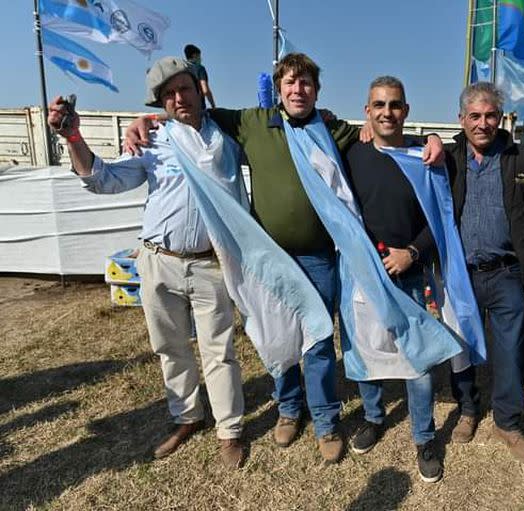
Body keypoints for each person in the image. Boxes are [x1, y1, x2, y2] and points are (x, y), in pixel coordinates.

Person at [124, 53, 445, 463]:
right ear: (278, 89)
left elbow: (387, 139)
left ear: (317, 90)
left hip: (319, 259)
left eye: (306, 83)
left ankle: (327, 422)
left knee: (318, 342)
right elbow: (187, 115)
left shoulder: (333, 130)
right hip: (269, 258)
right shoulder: (252, 124)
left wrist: (429, 140)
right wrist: (144, 120)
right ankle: (289, 410)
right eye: (290, 83)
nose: (298, 90)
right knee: (278, 336)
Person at [47, 56, 246, 469]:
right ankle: (187, 417)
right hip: (159, 262)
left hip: (211, 264)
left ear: (199, 90)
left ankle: (230, 431)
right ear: (161, 103)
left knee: (219, 351)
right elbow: (103, 179)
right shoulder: (153, 140)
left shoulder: (227, 137)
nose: (178, 98)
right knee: (170, 347)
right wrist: (73, 137)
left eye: (184, 89)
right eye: (168, 94)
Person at [343, 76, 444, 483]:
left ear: (407, 111)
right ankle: (372, 416)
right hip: (366, 271)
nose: (387, 112)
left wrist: (413, 253)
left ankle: (424, 436)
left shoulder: (425, 156)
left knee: (417, 360)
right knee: (368, 350)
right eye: (379, 105)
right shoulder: (351, 153)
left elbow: (440, 217)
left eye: (395, 105)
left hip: (412, 270)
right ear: (367, 111)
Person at [443, 82, 524, 464]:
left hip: (506, 273)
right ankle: (467, 409)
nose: (483, 123)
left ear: (500, 118)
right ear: (462, 119)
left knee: (510, 351)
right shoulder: (447, 158)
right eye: (475, 116)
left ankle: (508, 421)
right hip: (461, 274)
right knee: (462, 348)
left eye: (490, 115)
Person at [184, 44, 215, 109]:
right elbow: (205, 90)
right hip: (198, 107)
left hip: (185, 107)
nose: (200, 58)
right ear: (194, 55)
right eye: (199, 56)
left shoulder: (181, 69)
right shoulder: (200, 68)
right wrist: (213, 105)